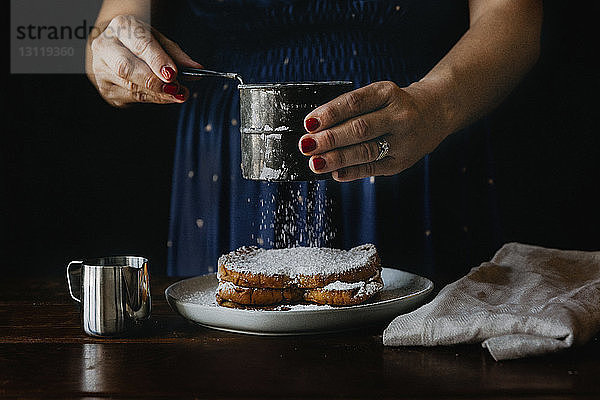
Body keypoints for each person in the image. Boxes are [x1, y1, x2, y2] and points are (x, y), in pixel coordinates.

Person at [86, 0, 543, 278]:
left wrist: (433, 107)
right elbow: (112, 24)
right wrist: (112, 52)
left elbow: (513, 14)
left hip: (408, 132)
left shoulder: (424, 115)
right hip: (232, 156)